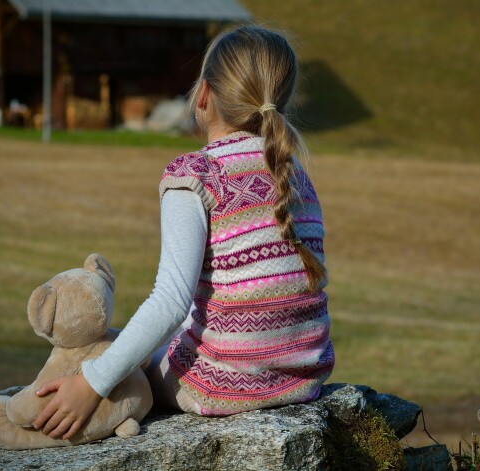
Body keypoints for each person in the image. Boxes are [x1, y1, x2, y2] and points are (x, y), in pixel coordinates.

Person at [33, 24, 335, 440]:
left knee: (110, 358)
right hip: (304, 376)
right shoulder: (294, 173)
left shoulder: (197, 174)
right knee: (133, 346)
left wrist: (92, 383)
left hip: (218, 384)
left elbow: (171, 301)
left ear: (204, 94)